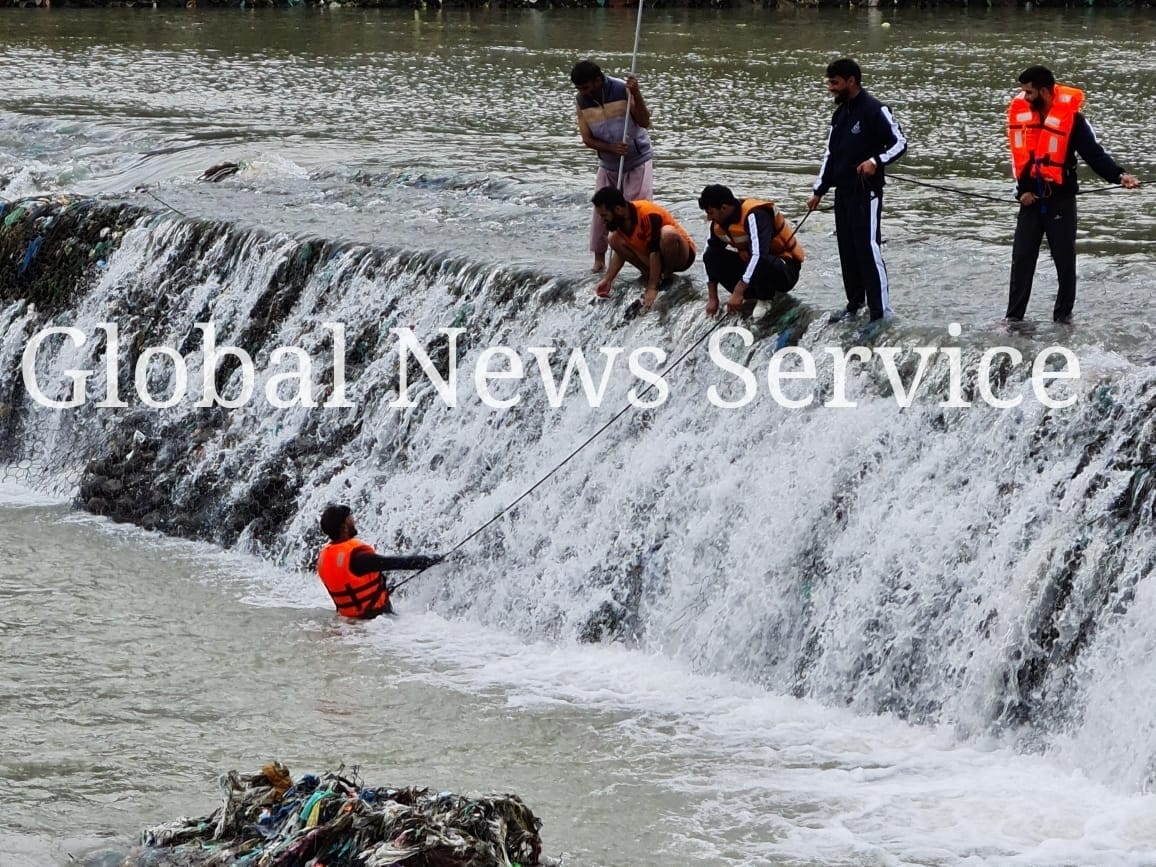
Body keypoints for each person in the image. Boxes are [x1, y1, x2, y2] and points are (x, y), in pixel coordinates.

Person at [1006, 65, 1141, 325]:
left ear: (1044, 91)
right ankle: (1013, 318)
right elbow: (1019, 159)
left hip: (1060, 200)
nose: (1024, 97)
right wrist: (1022, 192)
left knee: (1064, 262)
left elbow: (1094, 154)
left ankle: (1063, 318)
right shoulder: (1022, 116)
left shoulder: (1073, 120)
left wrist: (1119, 176)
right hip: (1029, 201)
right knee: (1022, 259)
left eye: (1029, 92)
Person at [806, 58, 906, 327]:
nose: (831, 88)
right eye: (829, 82)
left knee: (867, 248)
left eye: (835, 82)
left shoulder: (875, 110)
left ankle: (879, 313)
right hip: (843, 193)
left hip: (867, 192)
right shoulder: (840, 115)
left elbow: (900, 143)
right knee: (847, 249)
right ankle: (854, 304)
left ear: (851, 81)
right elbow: (831, 155)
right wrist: (819, 190)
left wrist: (875, 161)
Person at [571, 60, 655, 273]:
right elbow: (587, 139)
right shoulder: (582, 101)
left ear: (598, 80)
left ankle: (644, 255)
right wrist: (610, 148)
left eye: (586, 87)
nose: (584, 92)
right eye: (580, 89)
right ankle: (599, 260)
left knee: (638, 208)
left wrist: (636, 94)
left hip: (637, 160)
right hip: (608, 164)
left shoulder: (622, 89)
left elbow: (645, 122)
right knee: (601, 210)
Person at [316, 505, 440, 619]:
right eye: (350, 519)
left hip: (350, 623)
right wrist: (441, 558)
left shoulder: (326, 556)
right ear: (344, 527)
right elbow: (401, 563)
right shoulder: (359, 559)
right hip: (377, 623)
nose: (354, 521)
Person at [698, 184, 805, 316]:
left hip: (783, 271)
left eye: (710, 213)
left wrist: (738, 291)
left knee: (761, 258)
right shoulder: (718, 223)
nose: (709, 218)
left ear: (724, 208)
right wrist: (713, 298)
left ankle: (765, 299)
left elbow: (759, 255)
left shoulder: (755, 215)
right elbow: (709, 256)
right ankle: (751, 296)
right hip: (754, 273)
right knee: (711, 255)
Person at [590, 186, 696, 310]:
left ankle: (667, 276)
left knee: (668, 234)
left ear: (618, 209)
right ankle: (648, 273)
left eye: (604, 215)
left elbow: (654, 252)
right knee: (613, 238)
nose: (603, 220)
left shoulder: (647, 213)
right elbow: (620, 252)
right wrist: (608, 280)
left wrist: (652, 288)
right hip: (652, 257)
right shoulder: (618, 220)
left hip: (680, 255)